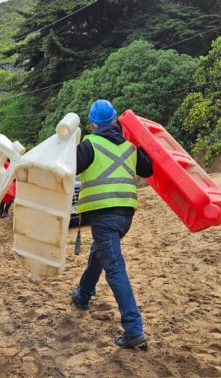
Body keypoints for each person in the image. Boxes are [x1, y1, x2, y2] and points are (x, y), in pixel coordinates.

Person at [70, 99, 153, 349]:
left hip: (103, 217)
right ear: (115, 120)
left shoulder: (89, 145)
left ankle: (133, 329)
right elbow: (148, 170)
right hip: (125, 217)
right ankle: (83, 295)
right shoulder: (130, 147)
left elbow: (67, 169)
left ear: (92, 124)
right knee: (100, 254)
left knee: (115, 269)